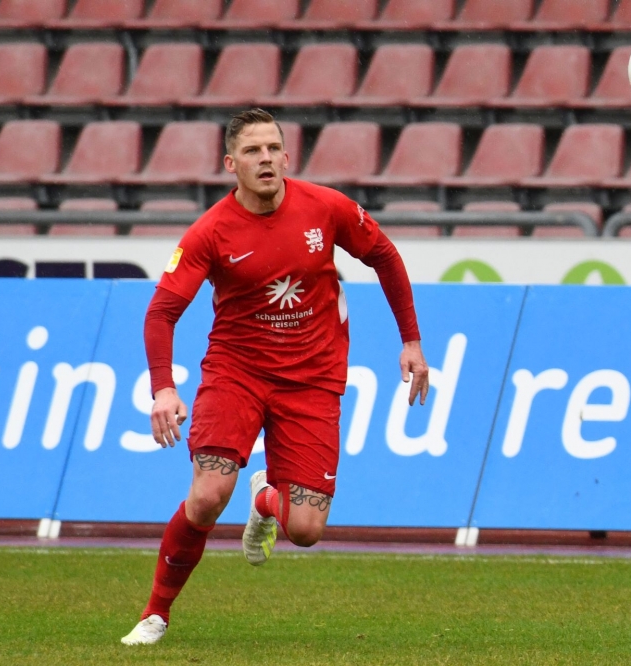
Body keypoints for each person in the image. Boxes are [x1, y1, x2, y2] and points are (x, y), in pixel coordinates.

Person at [121, 109, 429, 646]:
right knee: (207, 495)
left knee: (305, 531)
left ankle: (265, 499)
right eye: (252, 151)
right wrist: (163, 389)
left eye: (272, 149)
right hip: (236, 373)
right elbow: (162, 311)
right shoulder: (210, 232)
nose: (265, 159)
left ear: (286, 157)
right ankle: (156, 614)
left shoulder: (326, 208)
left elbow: (384, 255)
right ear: (231, 164)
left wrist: (411, 341)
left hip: (312, 378)